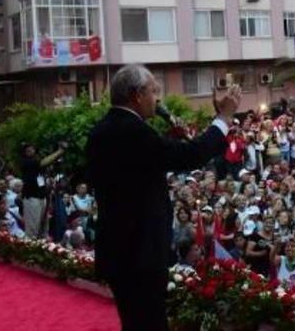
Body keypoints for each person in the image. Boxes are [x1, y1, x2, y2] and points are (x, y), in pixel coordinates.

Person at [86, 64, 242, 331]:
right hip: (140, 252)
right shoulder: (135, 132)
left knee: (135, 322)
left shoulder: (101, 131)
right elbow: (190, 156)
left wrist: (169, 140)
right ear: (136, 95)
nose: (157, 99)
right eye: (153, 91)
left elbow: (135, 169)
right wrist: (224, 118)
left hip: (118, 249)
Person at [20, 142, 65, 238]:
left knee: (44, 227)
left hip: (42, 197)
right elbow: (44, 162)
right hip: (31, 198)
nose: (31, 150)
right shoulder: (27, 162)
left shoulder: (37, 163)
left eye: (32, 148)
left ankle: (43, 248)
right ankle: (30, 249)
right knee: (33, 229)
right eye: (28, 149)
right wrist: (60, 151)